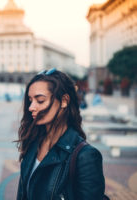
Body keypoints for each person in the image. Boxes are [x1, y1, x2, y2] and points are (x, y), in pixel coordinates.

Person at [16, 68, 106, 200]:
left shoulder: (85, 156)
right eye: (30, 100)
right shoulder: (33, 141)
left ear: (64, 101)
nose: (31, 107)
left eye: (40, 100)